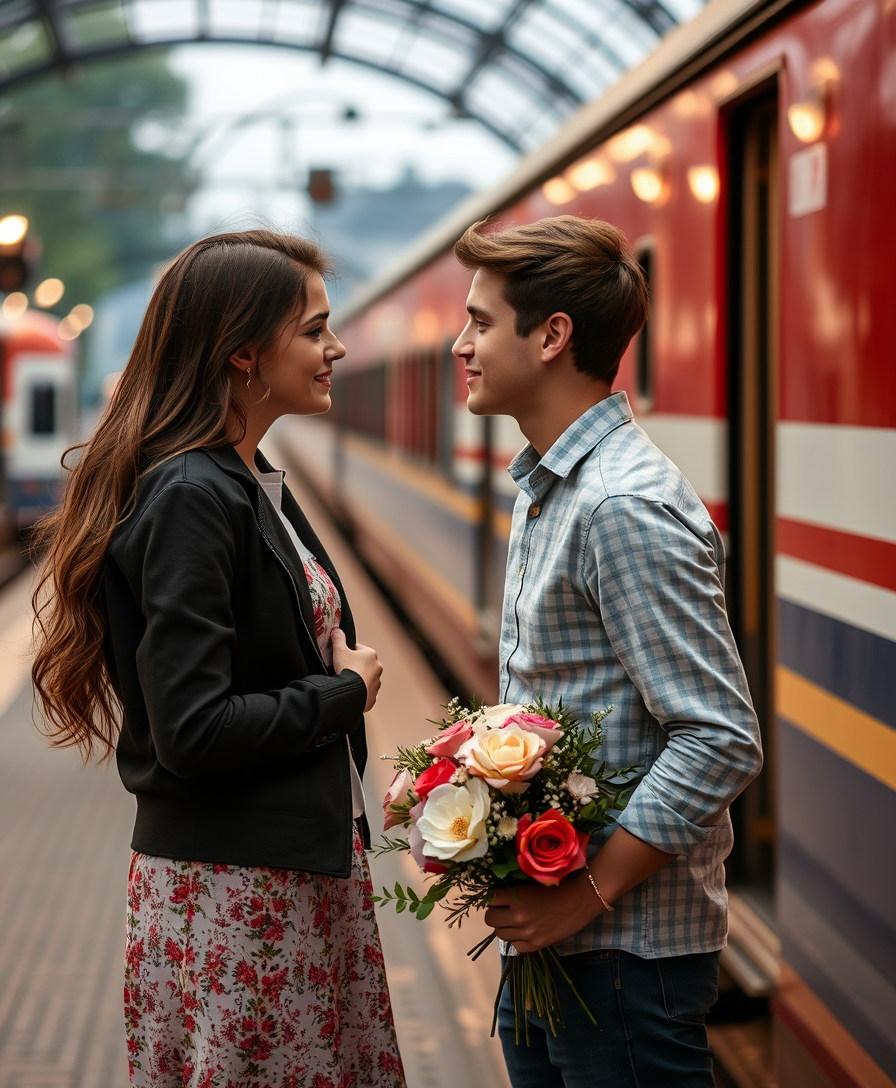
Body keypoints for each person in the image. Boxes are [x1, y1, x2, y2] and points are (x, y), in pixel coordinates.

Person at [31, 230, 407, 1088]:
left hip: (281, 876)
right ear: (242, 352)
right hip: (239, 895)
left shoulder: (242, 479)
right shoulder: (195, 496)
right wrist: (346, 693)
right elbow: (192, 729)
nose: (336, 348)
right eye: (314, 329)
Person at [451, 215, 762, 1088]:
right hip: (568, 947)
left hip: (624, 956)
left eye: (480, 321)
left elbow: (719, 737)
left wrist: (581, 895)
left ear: (552, 336)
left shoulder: (620, 506)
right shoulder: (555, 487)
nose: (459, 344)